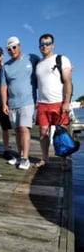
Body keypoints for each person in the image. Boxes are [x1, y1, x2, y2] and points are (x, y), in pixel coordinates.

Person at [1, 36, 40, 170]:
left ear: (20, 46)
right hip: (12, 103)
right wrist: (4, 104)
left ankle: (25, 158)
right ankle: (20, 154)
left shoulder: (32, 58)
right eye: (9, 49)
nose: (12, 50)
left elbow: (46, 68)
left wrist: (63, 68)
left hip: (28, 101)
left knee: (24, 128)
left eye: (14, 47)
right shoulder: (6, 66)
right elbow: (4, 86)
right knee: (17, 130)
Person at [35, 33, 73, 170]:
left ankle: (64, 160)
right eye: (42, 44)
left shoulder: (61, 59)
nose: (44, 46)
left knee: (61, 134)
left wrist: (67, 102)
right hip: (42, 104)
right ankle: (45, 158)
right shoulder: (38, 64)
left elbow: (68, 82)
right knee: (43, 133)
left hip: (58, 102)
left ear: (53, 45)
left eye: (47, 43)